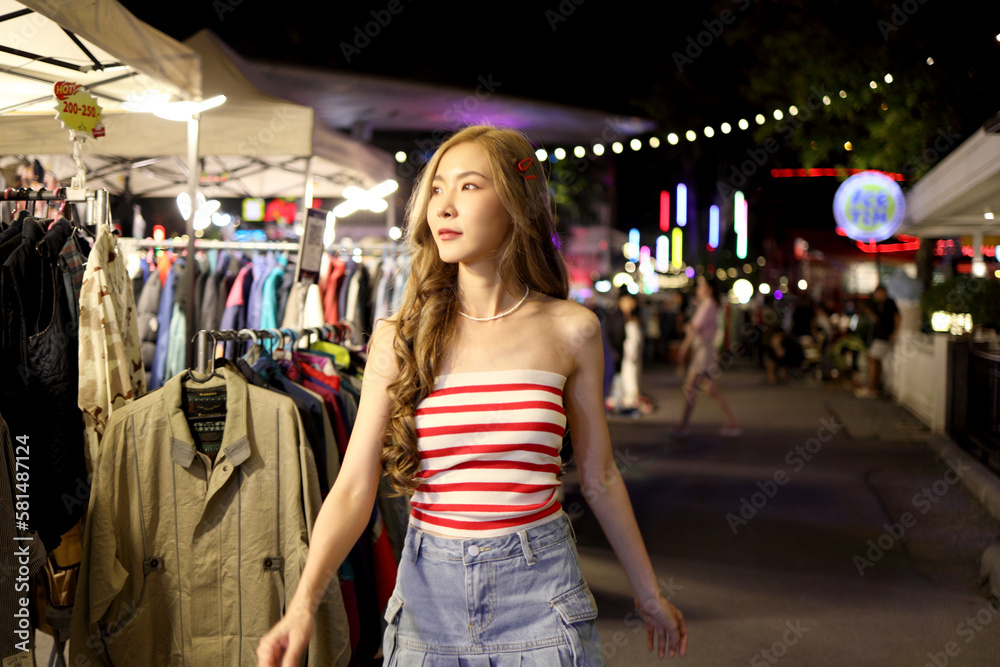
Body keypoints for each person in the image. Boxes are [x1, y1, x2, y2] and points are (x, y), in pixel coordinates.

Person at [256, 125, 687, 666]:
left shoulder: (571, 330)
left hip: (540, 597)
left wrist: (649, 596)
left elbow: (599, 477)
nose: (445, 206)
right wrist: (301, 606)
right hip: (426, 603)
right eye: (437, 189)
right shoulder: (401, 337)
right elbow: (352, 488)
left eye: (469, 187)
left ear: (516, 203)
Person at [670, 276, 741, 437]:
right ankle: (732, 422)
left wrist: (682, 350)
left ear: (708, 289)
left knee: (692, 388)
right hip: (704, 351)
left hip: (703, 352)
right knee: (709, 389)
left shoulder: (708, 306)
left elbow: (694, 329)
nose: (698, 289)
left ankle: (683, 426)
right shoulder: (709, 305)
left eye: (701, 286)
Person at [855, 285, 900, 398]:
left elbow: (897, 317)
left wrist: (895, 332)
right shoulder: (881, 305)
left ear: (881, 292)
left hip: (883, 337)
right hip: (880, 336)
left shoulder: (889, 303)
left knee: (873, 358)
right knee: (874, 360)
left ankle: (871, 388)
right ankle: (873, 386)